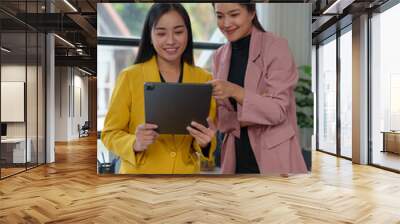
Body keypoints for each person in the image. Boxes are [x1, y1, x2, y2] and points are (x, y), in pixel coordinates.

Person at [101, 3, 217, 174]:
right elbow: (109, 134)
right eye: (161, 33)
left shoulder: (204, 80)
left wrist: (205, 143)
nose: (170, 40)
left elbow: (203, 140)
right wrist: (134, 142)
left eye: (178, 32)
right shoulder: (129, 77)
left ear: (188, 33)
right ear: (150, 35)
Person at [210, 3, 308, 174]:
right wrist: (259, 107)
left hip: (274, 155)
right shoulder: (219, 56)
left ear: (252, 12)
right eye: (220, 16)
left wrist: (234, 91)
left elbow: (277, 112)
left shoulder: (276, 46)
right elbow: (222, 119)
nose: (226, 23)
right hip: (235, 156)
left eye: (234, 14)